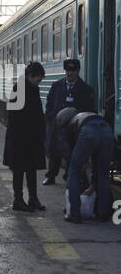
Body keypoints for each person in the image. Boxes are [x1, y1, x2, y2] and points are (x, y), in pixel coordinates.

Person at [56, 107, 114, 223]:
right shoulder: (84, 115)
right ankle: (103, 213)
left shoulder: (67, 127)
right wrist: (93, 182)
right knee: (103, 172)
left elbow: (67, 152)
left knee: (74, 170)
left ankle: (75, 214)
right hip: (107, 130)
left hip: (88, 131)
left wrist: (76, 164)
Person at [43, 58, 95, 186]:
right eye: (67, 71)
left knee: (70, 152)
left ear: (78, 71)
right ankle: (51, 176)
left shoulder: (86, 89)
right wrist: (50, 117)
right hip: (57, 124)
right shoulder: (57, 85)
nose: (69, 74)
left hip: (73, 127)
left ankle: (68, 177)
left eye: (72, 71)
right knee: (54, 151)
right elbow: (49, 102)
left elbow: (89, 109)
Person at [3, 62, 46, 212]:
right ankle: (18, 200)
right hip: (19, 138)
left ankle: (33, 199)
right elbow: (15, 116)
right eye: (38, 79)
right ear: (30, 75)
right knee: (19, 169)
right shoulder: (19, 88)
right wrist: (25, 134)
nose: (39, 81)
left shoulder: (33, 88)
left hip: (31, 137)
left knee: (31, 169)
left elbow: (37, 111)